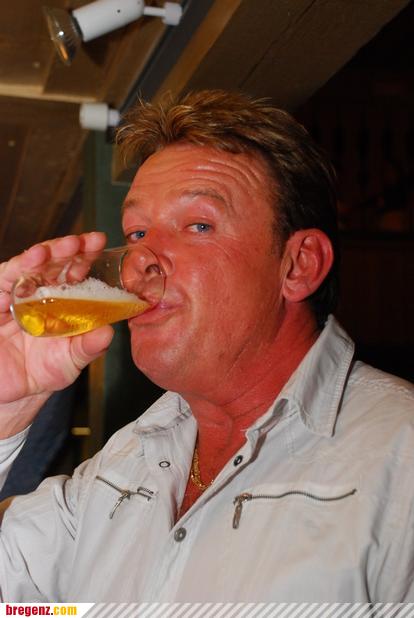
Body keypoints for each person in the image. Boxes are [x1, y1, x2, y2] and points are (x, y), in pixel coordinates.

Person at [0, 89, 413, 602]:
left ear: (298, 265)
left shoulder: (398, 460)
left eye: (198, 225)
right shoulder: (123, 464)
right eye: (137, 231)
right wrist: (5, 408)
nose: (141, 261)